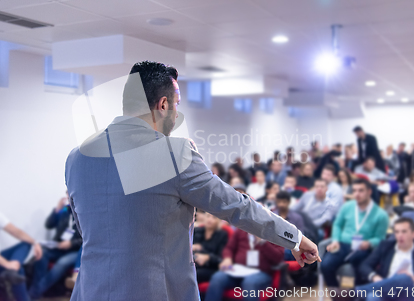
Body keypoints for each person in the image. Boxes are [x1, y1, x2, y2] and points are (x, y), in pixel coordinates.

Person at [65, 61, 320, 301]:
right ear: (163, 105)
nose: (177, 115)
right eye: (177, 104)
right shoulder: (173, 154)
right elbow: (237, 207)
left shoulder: (77, 157)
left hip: (90, 290)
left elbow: (85, 230)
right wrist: (295, 238)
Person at [321, 179, 389, 287]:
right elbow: (337, 225)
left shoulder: (381, 214)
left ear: (369, 192)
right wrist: (335, 240)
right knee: (325, 265)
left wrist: (369, 243)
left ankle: (358, 296)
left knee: (360, 264)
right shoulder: (347, 206)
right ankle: (338, 297)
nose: (357, 194)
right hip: (343, 244)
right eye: (354, 191)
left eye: (361, 190)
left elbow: (381, 238)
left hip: (364, 248)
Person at [356, 217, 414, 301]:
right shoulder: (386, 246)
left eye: (404, 232)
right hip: (387, 291)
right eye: (397, 232)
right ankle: (358, 292)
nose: (400, 235)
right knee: (372, 296)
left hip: (410, 294)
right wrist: (375, 277)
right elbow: (365, 265)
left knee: (404, 278)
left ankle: (357, 291)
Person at [204, 228, 284, 301]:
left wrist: (263, 243)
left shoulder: (274, 233)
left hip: (261, 273)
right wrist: (227, 258)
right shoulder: (241, 230)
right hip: (238, 271)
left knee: (249, 282)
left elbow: (278, 258)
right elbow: (229, 248)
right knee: (217, 278)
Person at [29, 195, 82, 299]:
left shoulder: (83, 212)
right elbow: (49, 225)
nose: (69, 196)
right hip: (59, 247)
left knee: (62, 262)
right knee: (41, 254)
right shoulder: (65, 210)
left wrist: (71, 243)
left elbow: (86, 239)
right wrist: (57, 209)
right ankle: (38, 290)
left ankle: (33, 294)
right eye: (67, 193)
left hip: (75, 250)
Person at [192, 213, 228, 283]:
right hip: (194, 263)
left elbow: (221, 258)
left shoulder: (222, 235)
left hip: (212, 267)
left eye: (214, 217)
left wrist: (207, 257)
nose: (210, 220)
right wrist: (191, 247)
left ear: (218, 220)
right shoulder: (197, 231)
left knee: (193, 274)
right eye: (208, 216)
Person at [274, 192, 305, 261]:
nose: (281, 204)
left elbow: (300, 237)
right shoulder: (273, 216)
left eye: (284, 202)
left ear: (288, 202)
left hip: (290, 247)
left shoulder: (297, 218)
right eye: (279, 202)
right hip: (275, 245)